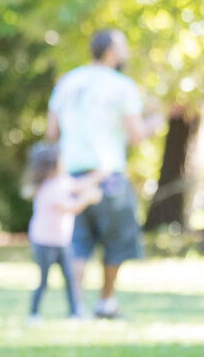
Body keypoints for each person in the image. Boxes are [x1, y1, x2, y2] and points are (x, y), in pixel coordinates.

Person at [46, 29, 163, 318]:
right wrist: (156, 122)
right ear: (110, 51)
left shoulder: (68, 82)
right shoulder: (122, 86)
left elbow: (51, 132)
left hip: (70, 175)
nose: (125, 52)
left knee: (78, 243)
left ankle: (77, 307)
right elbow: (136, 135)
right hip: (107, 176)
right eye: (122, 46)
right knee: (116, 241)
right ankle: (106, 301)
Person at [23, 142, 105, 321]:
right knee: (44, 281)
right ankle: (34, 314)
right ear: (52, 165)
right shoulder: (47, 189)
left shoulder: (62, 181)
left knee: (69, 278)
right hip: (44, 242)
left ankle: (75, 313)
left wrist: (98, 175)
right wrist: (88, 198)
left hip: (62, 241)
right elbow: (72, 208)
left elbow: (78, 185)